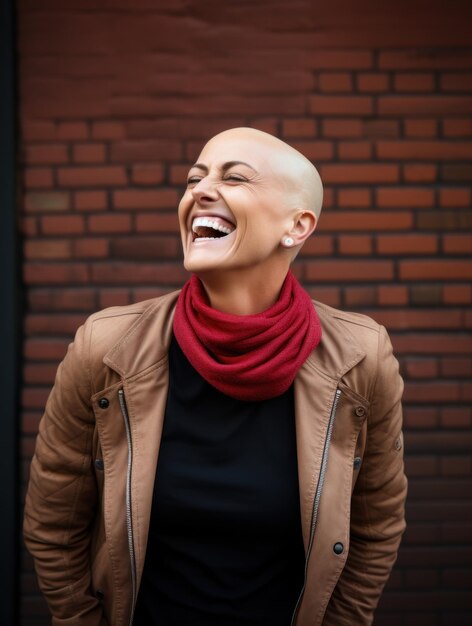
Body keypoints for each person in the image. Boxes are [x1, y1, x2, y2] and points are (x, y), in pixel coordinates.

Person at [24, 127, 407, 626]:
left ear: (298, 226)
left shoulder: (361, 357)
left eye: (235, 178)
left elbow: (377, 528)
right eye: (194, 179)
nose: (199, 191)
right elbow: (53, 526)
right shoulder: (106, 349)